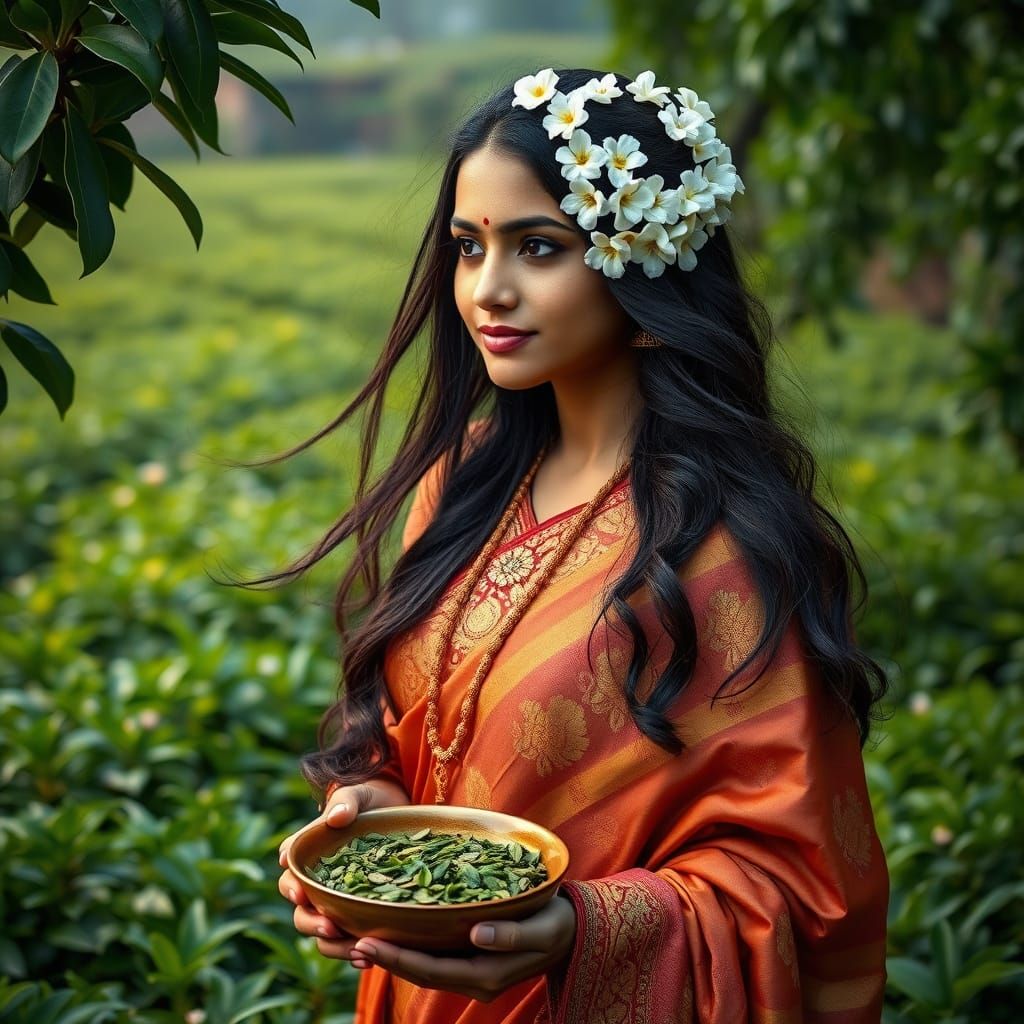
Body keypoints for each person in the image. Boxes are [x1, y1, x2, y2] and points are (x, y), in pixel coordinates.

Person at [272, 66, 891, 1023]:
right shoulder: (464, 481)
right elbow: (420, 729)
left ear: (648, 261)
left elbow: (796, 889)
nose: (489, 289)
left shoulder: (729, 552)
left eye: (539, 247)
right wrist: (369, 806)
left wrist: (579, 932)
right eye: (469, 247)